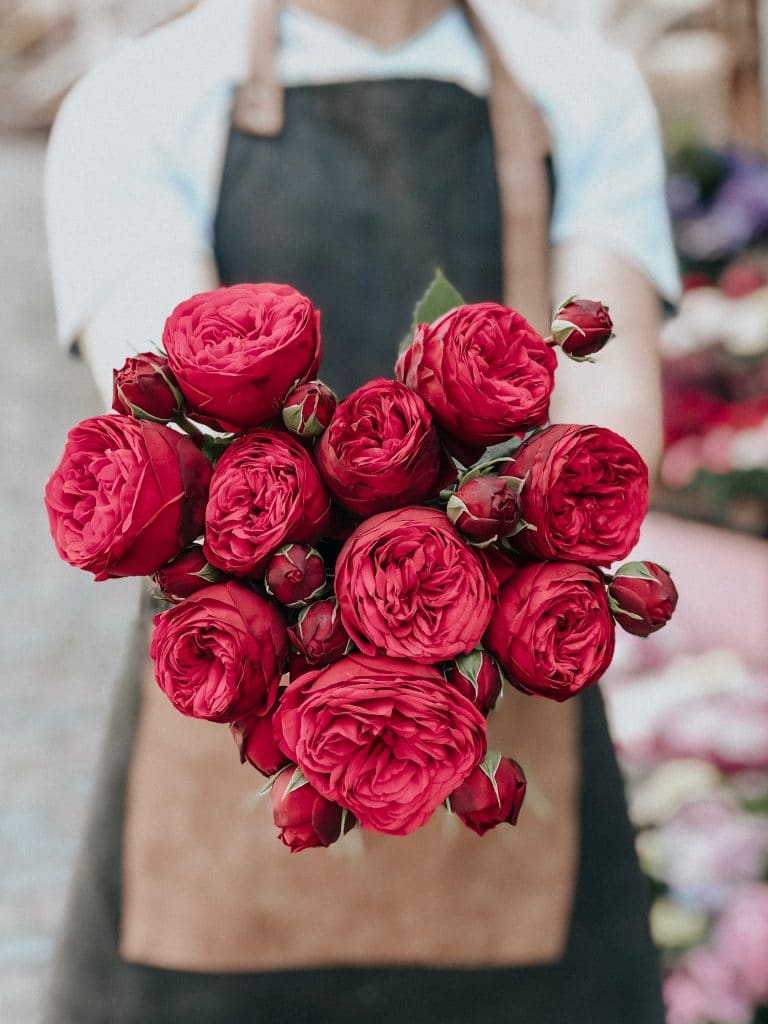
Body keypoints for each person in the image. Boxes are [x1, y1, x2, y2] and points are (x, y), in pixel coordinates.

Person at [43, 1, 680, 1021]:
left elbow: (614, 433)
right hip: (234, 716)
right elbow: (178, 450)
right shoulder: (141, 102)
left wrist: (429, 582)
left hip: (502, 706)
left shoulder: (581, 92)